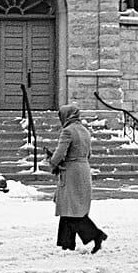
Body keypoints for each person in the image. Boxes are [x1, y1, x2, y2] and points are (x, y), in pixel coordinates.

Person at [46, 103, 107, 253]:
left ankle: (95, 234)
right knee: (72, 207)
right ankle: (66, 243)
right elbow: (89, 154)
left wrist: (52, 161)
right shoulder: (85, 131)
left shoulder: (68, 131)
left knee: (71, 209)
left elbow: (60, 154)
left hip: (71, 171)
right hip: (83, 169)